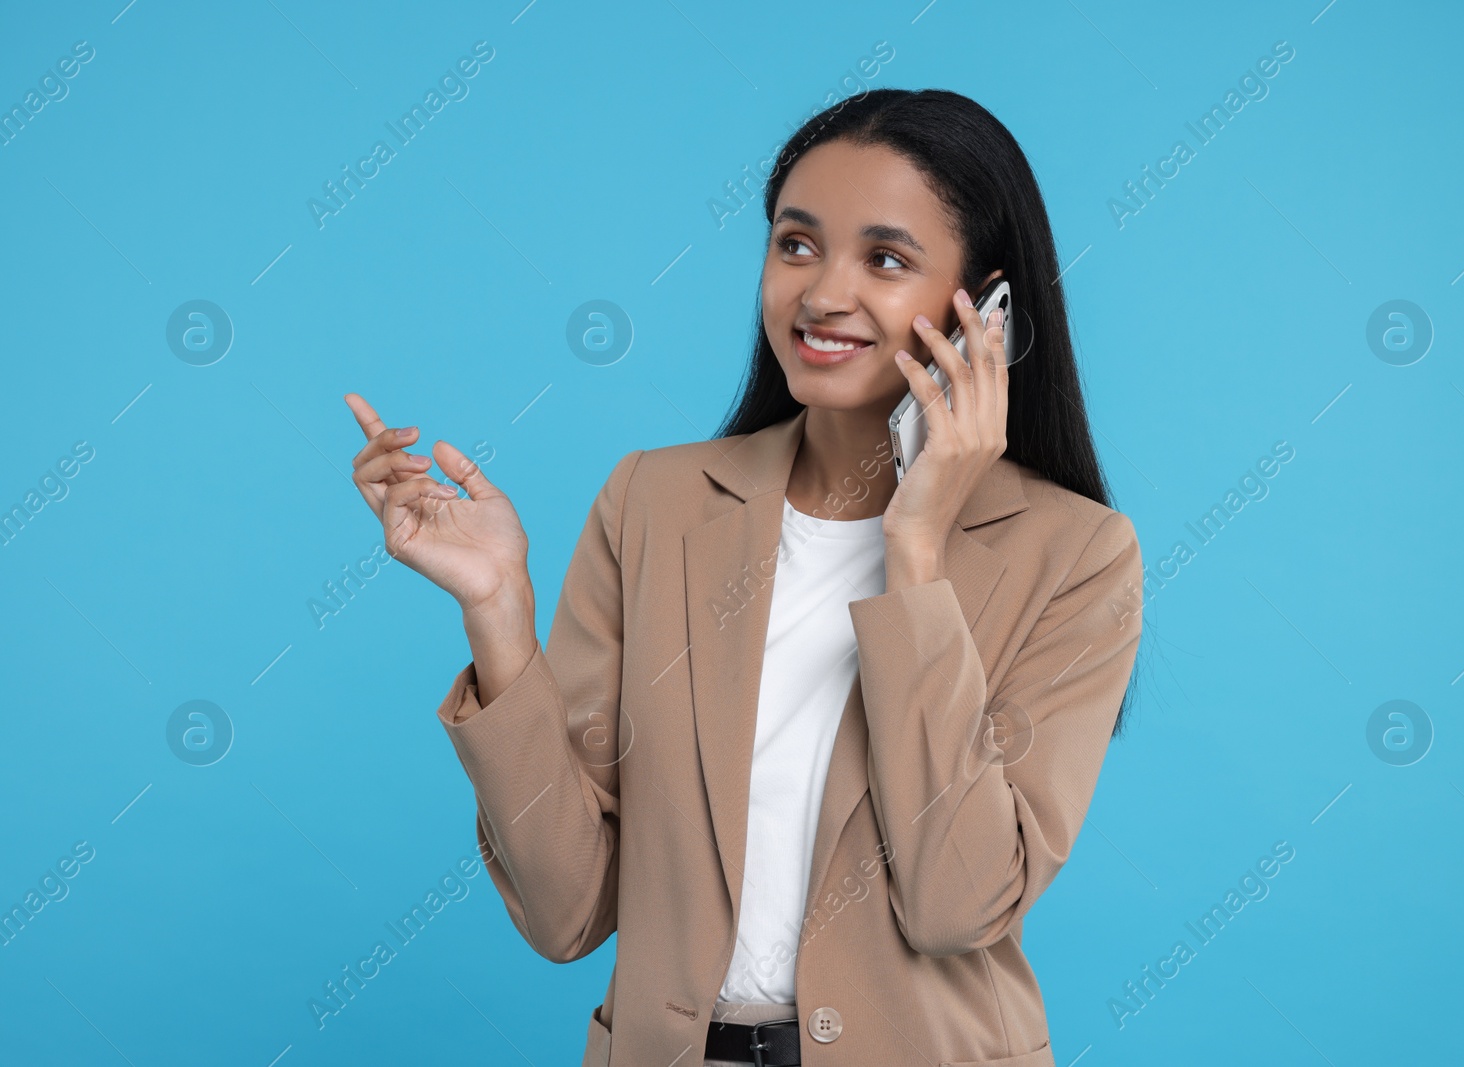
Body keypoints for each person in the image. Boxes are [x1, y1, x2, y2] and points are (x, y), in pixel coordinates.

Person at [345, 87, 1143, 1067]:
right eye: (796, 244)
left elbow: (955, 901)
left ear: (982, 308)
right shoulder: (656, 503)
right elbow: (567, 910)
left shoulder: (1075, 553)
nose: (821, 293)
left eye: (885, 259)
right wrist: (498, 609)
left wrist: (918, 548)